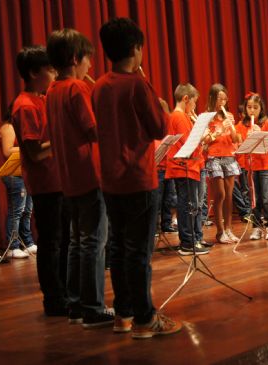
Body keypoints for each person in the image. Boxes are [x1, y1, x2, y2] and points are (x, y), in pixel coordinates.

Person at [93, 17, 180, 339]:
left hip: (110, 179)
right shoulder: (137, 84)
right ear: (135, 49)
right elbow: (160, 128)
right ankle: (146, 319)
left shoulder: (100, 85)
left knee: (117, 248)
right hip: (139, 178)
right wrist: (159, 105)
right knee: (139, 253)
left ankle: (124, 315)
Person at [46, 28, 112, 328]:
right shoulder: (76, 89)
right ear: (75, 59)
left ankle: (74, 305)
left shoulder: (52, 90)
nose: (91, 67)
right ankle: (92, 307)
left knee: (76, 241)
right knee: (93, 242)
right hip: (89, 173)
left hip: (69, 175)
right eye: (87, 60)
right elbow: (94, 130)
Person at [11, 45, 67, 315]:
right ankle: (54, 299)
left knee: (63, 239)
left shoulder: (43, 99)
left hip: (58, 179)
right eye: (50, 69)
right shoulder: (24, 105)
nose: (54, 73)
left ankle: (66, 293)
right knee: (51, 242)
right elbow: (34, 152)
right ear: (34, 72)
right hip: (46, 183)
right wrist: (61, 139)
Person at [165, 84, 210, 255]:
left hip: (189, 167)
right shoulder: (180, 117)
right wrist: (201, 136)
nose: (194, 107)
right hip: (183, 167)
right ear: (186, 99)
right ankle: (187, 243)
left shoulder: (180, 116)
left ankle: (193, 240)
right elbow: (188, 143)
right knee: (187, 205)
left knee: (190, 205)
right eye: (194, 102)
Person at [202, 84, 240, 244]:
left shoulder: (229, 115)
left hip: (229, 157)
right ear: (212, 98)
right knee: (220, 195)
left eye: (225, 99)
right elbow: (204, 140)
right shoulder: (206, 116)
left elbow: (235, 139)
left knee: (229, 196)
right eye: (220, 99)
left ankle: (229, 229)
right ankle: (220, 231)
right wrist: (218, 130)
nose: (223, 102)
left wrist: (231, 127)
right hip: (214, 157)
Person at [0, 104, 36, 258]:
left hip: (25, 173)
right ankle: (13, 246)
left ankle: (27, 242)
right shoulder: (9, 127)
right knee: (17, 212)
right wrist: (29, 148)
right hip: (14, 175)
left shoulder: (19, 127)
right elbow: (7, 151)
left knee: (27, 211)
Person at [243, 93, 268, 240]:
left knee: (267, 197)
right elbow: (239, 144)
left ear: (260, 108)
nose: (252, 111)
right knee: (254, 200)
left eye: (255, 108)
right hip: (251, 167)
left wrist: (260, 133)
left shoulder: (267, 122)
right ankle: (256, 227)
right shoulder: (242, 125)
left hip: (266, 165)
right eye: (249, 107)